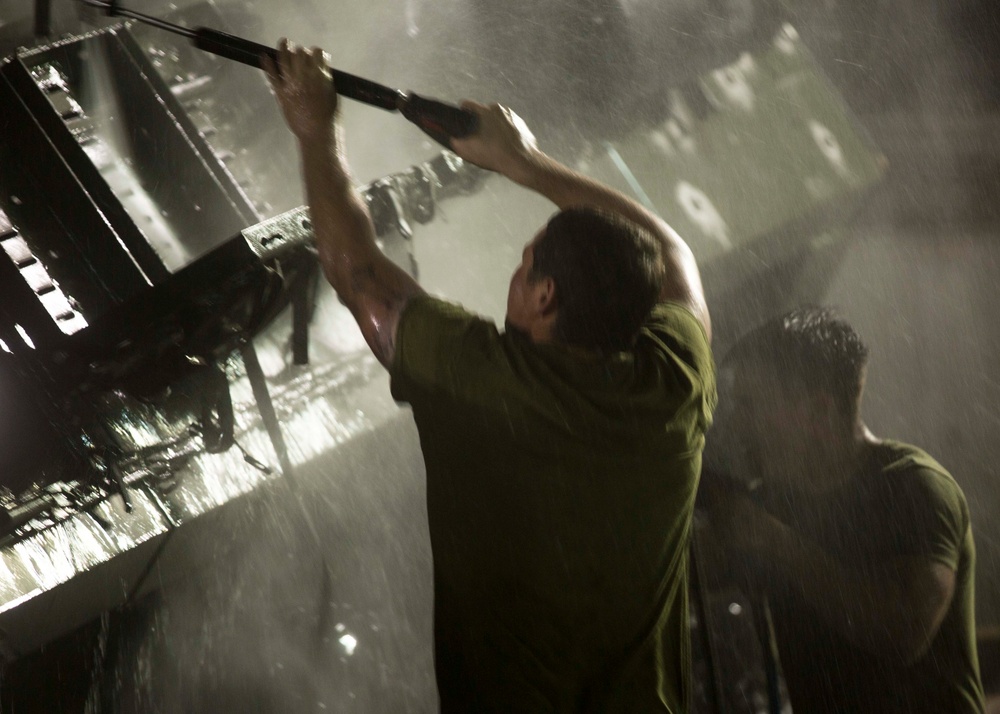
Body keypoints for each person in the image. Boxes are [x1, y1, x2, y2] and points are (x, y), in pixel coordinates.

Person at [263, 41, 715, 712]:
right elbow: (670, 255)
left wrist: (315, 127)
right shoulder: (673, 378)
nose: (515, 271)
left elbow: (354, 271)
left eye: (525, 263)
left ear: (545, 298)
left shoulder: (488, 383)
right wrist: (522, 162)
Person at [705, 307, 985, 713]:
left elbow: (903, 632)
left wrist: (778, 543)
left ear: (820, 410)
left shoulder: (915, 487)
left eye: (751, 406)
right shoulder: (772, 501)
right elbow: (690, 570)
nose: (737, 425)